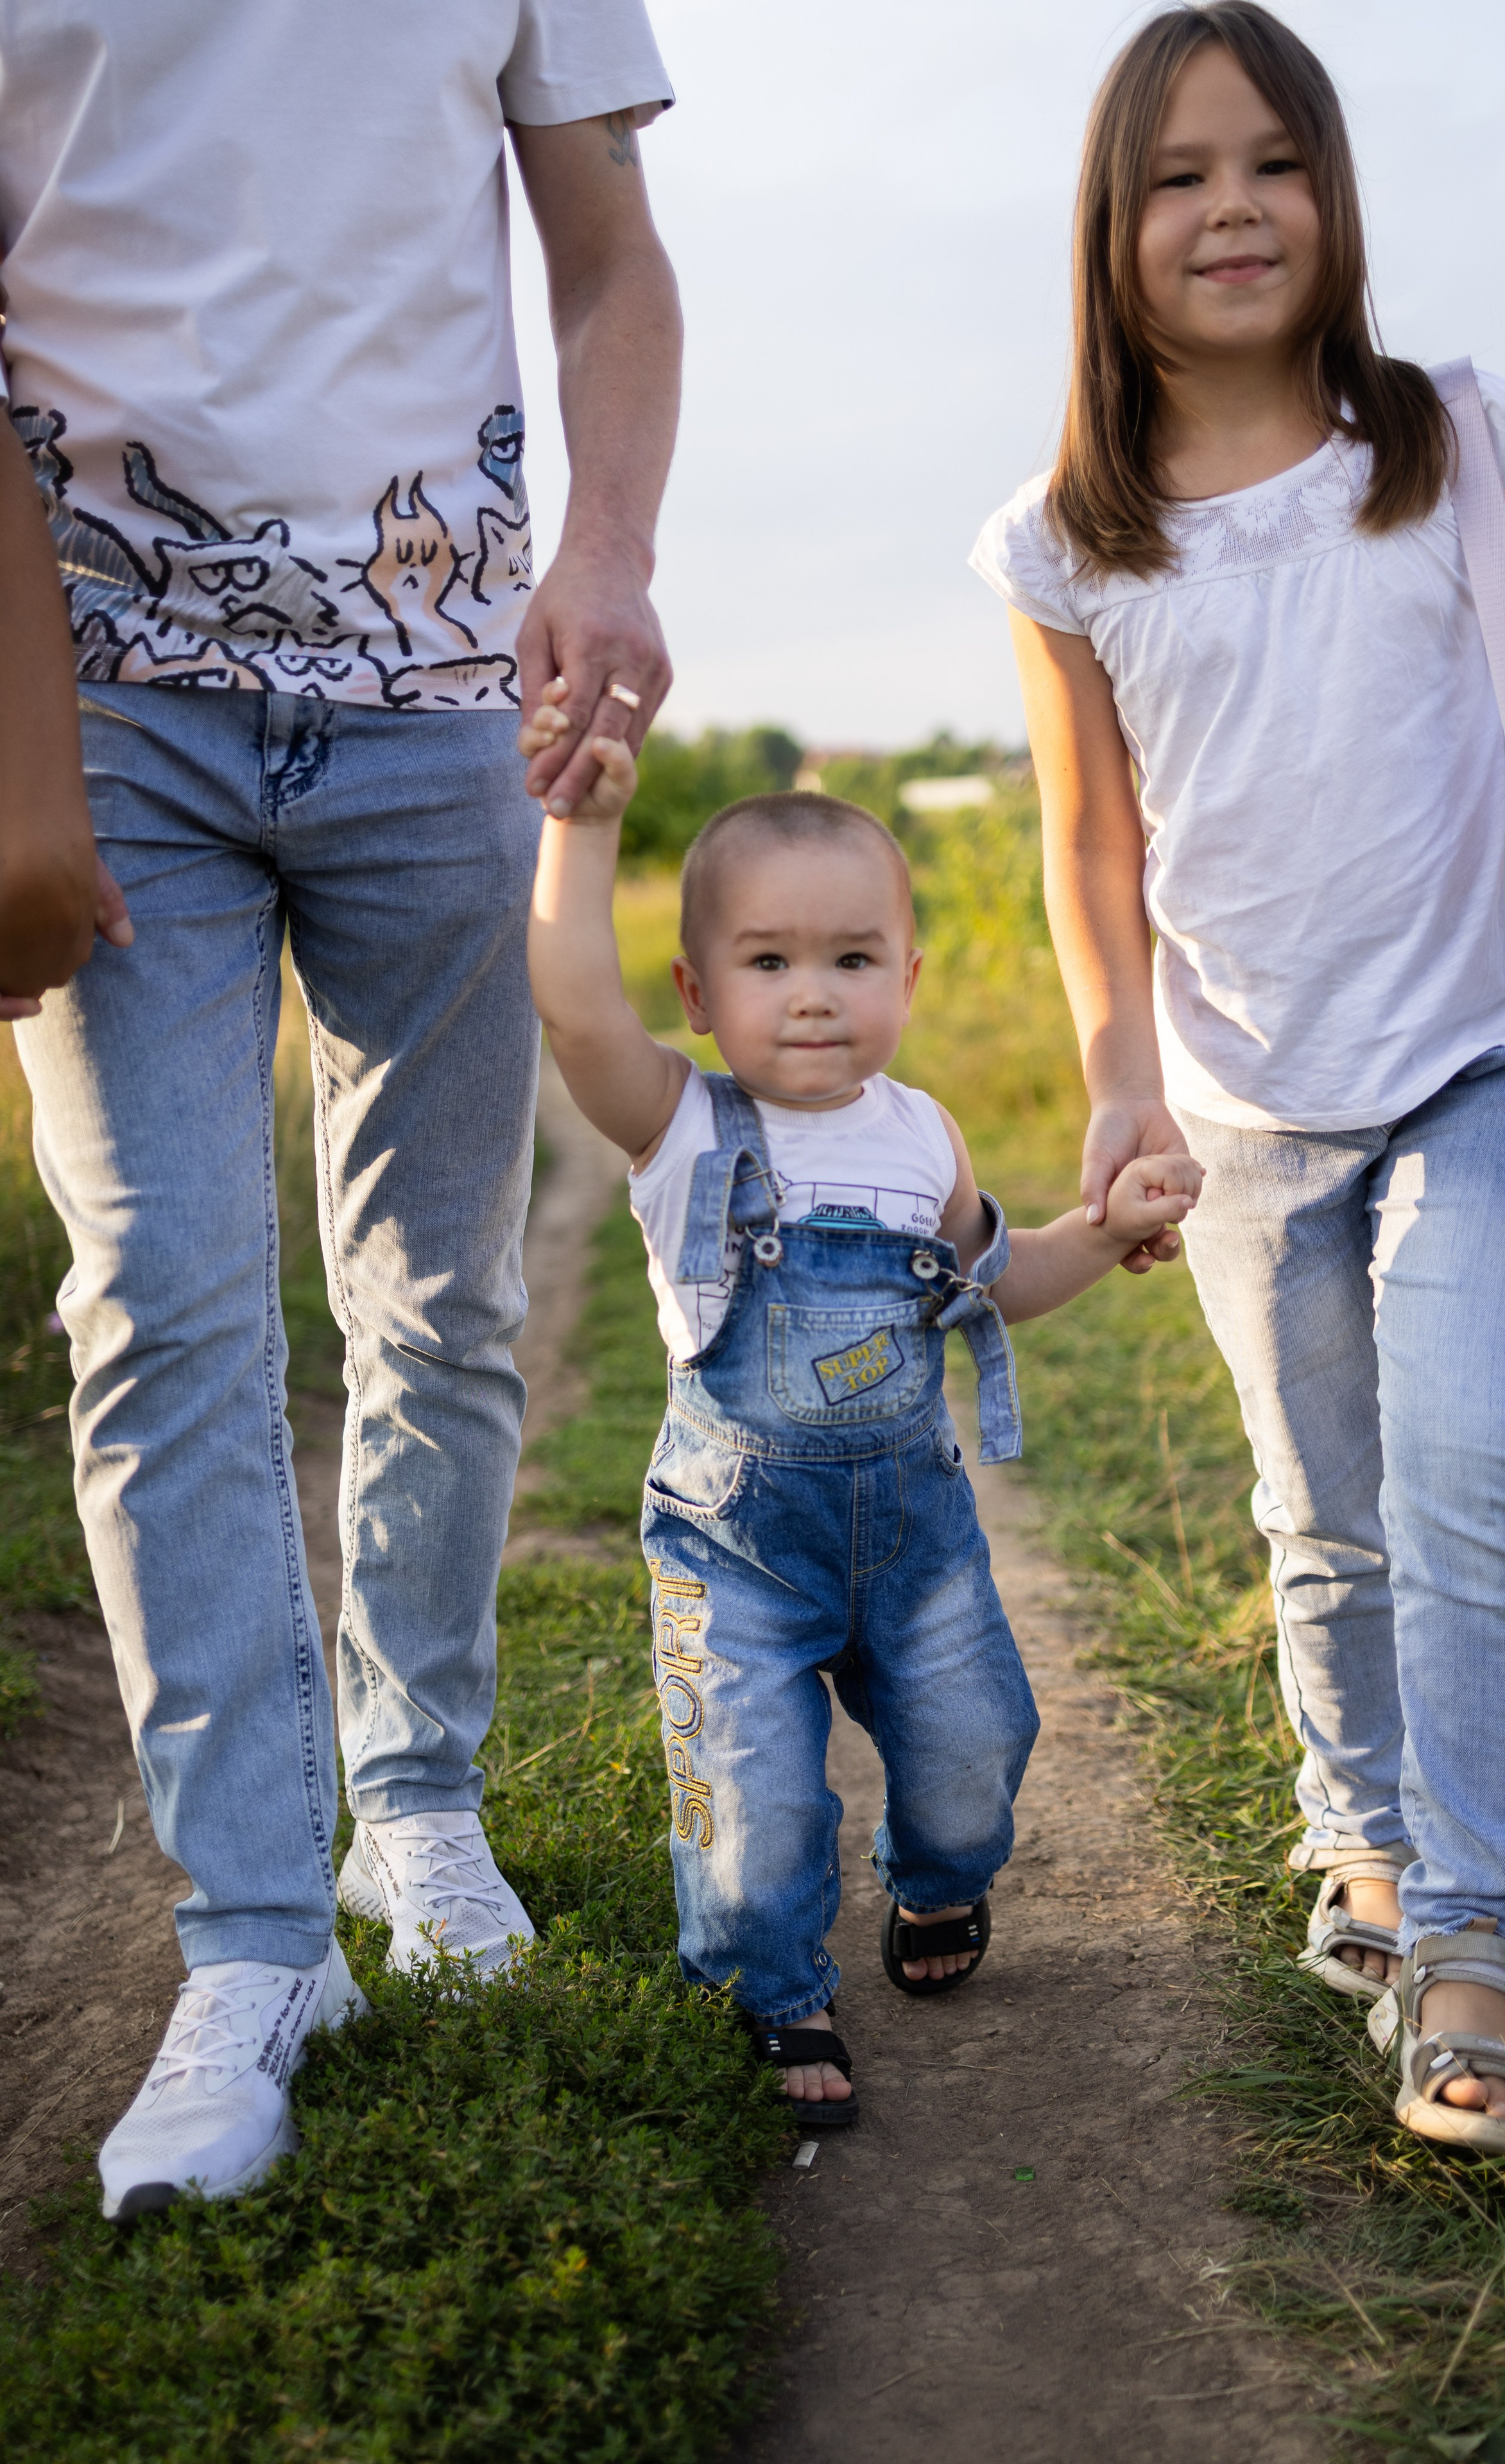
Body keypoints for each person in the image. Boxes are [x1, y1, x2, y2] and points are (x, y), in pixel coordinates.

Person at [0, 0, 683, 2220]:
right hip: (99, 703)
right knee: (161, 1294)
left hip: (442, 702)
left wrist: (608, 549)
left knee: (444, 1301)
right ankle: (257, 1949)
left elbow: (605, 253)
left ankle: (419, 1803)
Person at [971, 0, 1505, 2166]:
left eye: (1273, 161)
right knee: (1323, 1518)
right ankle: (1359, 1849)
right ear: (1113, 226)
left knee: (1466, 1480)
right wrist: (1115, 1077)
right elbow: (1093, 846)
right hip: (1251, 1104)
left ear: (1334, 194)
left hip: (1491, 1060)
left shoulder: (1447, 434)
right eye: (1179, 176)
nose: (1233, 206)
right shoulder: (1066, 538)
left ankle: (1474, 1947)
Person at [523, 705, 1203, 2121]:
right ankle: (774, 1989)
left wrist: (1103, 1224)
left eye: (850, 959)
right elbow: (576, 1001)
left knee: (971, 1757)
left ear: (907, 970)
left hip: (914, 1538)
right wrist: (583, 825)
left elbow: (992, 1284)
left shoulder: (923, 1133)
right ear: (699, 991)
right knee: (749, 1799)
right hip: (737, 1546)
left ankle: (939, 1883)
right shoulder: (679, 1124)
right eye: (766, 963)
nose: (813, 994)